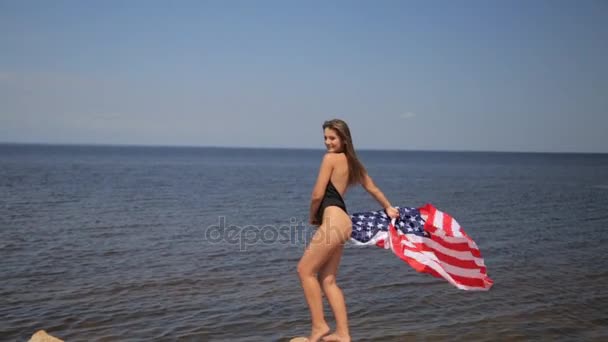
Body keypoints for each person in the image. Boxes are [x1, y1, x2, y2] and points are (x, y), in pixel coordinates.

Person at [297, 119, 400, 342]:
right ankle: (343, 334)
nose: (327, 142)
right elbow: (371, 187)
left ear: (344, 139)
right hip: (344, 221)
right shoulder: (353, 163)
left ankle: (319, 326)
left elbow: (317, 194)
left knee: (304, 270)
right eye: (325, 138)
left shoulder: (330, 159)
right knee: (328, 280)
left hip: (334, 219)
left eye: (332, 138)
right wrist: (388, 207)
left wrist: (313, 215)